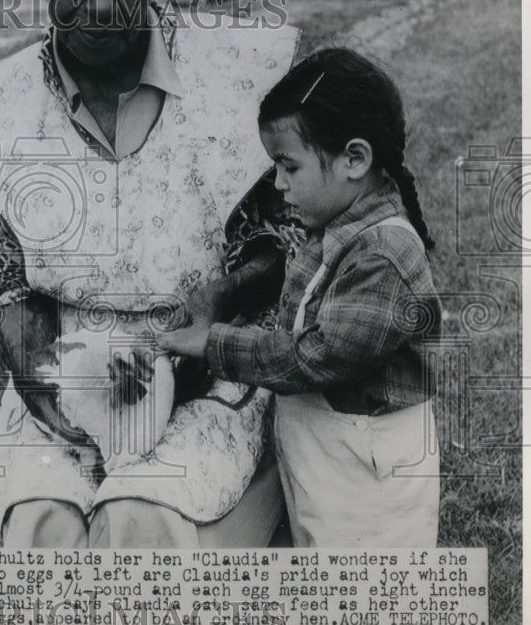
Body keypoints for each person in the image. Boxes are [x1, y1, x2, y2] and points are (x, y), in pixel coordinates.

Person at [0, 0, 302, 548]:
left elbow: (268, 251)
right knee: (45, 530)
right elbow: (11, 283)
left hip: (204, 377)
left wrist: (215, 303)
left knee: (134, 530)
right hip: (64, 379)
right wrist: (39, 376)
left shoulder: (227, 83)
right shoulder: (3, 105)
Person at [157, 48, 442, 547]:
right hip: (330, 458)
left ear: (355, 159)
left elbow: (315, 357)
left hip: (368, 480)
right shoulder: (334, 223)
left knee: (368, 608)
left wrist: (214, 343)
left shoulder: (385, 254)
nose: (278, 183)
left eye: (288, 166)